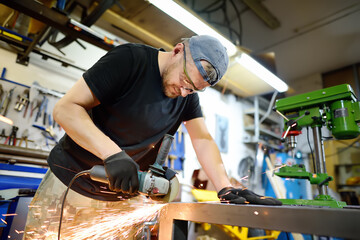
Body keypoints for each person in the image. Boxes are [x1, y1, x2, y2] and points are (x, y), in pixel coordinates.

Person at [23, 35, 281, 239]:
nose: (183, 92)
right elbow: (66, 109)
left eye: (191, 90)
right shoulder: (130, 60)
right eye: (184, 81)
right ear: (178, 50)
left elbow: (202, 139)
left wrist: (225, 186)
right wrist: (112, 153)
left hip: (119, 200)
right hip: (70, 185)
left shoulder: (187, 95)